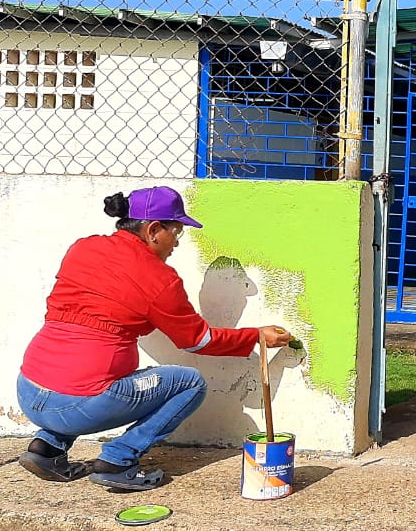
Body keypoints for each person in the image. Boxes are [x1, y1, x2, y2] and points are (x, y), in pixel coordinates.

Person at [15, 185, 293, 492]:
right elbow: (197, 340)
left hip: (29, 389)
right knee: (189, 382)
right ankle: (118, 460)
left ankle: (46, 449)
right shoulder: (159, 278)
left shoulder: (84, 247)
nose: (176, 243)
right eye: (177, 232)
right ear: (154, 230)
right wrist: (254, 336)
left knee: (85, 376)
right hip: (79, 405)